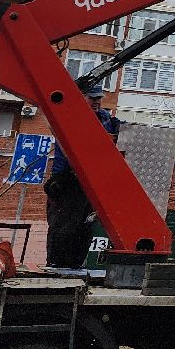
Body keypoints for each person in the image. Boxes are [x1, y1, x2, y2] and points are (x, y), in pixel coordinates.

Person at [44, 86, 118, 269]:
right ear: (81, 98)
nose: (96, 102)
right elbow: (53, 123)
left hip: (91, 180)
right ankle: (56, 263)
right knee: (62, 225)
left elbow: (119, 131)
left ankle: (76, 263)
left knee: (85, 225)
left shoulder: (105, 119)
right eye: (92, 98)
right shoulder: (70, 117)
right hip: (67, 179)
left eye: (99, 98)